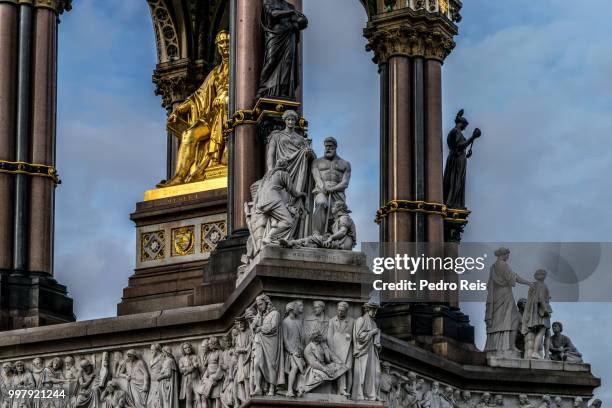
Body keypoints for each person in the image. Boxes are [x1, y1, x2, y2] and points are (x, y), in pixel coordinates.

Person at [158, 31, 230, 187]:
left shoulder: (241, 67)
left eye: (227, 42)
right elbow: (199, 95)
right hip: (214, 115)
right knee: (188, 134)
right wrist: (180, 109)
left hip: (231, 114)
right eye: (221, 43)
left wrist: (226, 96)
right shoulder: (215, 72)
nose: (224, 47)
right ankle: (179, 177)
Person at [484, 248, 533, 358]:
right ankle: (509, 346)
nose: (508, 257)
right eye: (507, 254)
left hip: (496, 295)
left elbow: (490, 284)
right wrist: (528, 283)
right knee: (513, 319)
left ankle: (498, 344)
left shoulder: (493, 267)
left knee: (499, 320)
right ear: (503, 254)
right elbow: (514, 277)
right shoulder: (503, 265)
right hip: (505, 294)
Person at [257, 0, 307, 99]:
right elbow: (273, 14)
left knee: (287, 62)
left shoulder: (289, 5)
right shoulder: (269, 1)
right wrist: (291, 12)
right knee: (271, 60)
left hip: (289, 34)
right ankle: (262, 88)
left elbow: (298, 21)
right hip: (275, 34)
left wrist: (301, 22)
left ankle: (283, 90)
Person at [255, 159, 307, 245]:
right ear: (285, 167)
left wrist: (254, 205)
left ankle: (275, 237)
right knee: (288, 222)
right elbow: (293, 192)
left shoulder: (269, 174)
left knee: (277, 220)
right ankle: (269, 237)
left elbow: (259, 190)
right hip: (272, 200)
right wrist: (302, 194)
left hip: (261, 202)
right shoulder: (283, 174)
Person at [311, 137, 351, 235]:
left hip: (338, 192)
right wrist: (324, 188)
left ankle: (333, 235)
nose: (328, 149)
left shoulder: (345, 164)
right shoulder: (317, 162)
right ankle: (316, 232)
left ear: (335, 147)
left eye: (330, 146)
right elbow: (317, 178)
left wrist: (332, 189)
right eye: (326, 146)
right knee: (321, 203)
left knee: (337, 213)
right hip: (322, 190)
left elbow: (345, 183)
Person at [443, 109, 481, 209]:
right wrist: (473, 137)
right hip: (457, 159)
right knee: (456, 180)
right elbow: (459, 145)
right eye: (465, 125)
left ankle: (455, 202)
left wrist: (466, 154)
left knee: (457, 180)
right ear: (461, 123)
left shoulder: (456, 132)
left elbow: (459, 147)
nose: (465, 127)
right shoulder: (455, 132)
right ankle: (452, 202)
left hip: (458, 158)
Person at [251, 295, 284, 396]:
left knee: (271, 364)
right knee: (257, 364)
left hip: (271, 342)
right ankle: (258, 387)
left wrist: (260, 328)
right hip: (260, 342)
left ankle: (272, 388)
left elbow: (273, 327)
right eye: (258, 305)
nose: (259, 307)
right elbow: (252, 327)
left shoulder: (275, 314)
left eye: (261, 304)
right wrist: (258, 318)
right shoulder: (260, 315)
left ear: (267, 303)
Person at [298, 331, 348, 396]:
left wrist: (339, 362)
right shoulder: (308, 349)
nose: (321, 338)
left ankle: (342, 390)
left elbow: (331, 355)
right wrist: (324, 369)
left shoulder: (323, 344)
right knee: (321, 375)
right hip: (315, 368)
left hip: (325, 365)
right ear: (315, 338)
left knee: (342, 368)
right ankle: (303, 389)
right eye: (319, 337)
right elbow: (313, 363)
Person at [352, 302, 381, 401]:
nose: (375, 312)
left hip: (372, 351)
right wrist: (373, 332)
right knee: (363, 372)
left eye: (376, 310)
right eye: (374, 309)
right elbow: (359, 337)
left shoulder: (374, 323)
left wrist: (377, 341)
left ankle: (371, 394)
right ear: (367, 309)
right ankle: (361, 395)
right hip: (363, 352)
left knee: (375, 372)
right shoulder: (361, 320)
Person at [521, 269, 552, 359]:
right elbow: (541, 299)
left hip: (534, 312)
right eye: (544, 274)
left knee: (541, 332)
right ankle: (535, 352)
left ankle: (538, 353)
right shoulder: (542, 285)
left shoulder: (533, 285)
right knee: (542, 331)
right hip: (541, 312)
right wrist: (545, 310)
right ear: (543, 276)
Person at [326, 301, 354, 397]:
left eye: (342, 311)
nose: (340, 313)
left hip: (348, 349)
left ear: (346, 311)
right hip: (335, 350)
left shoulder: (352, 321)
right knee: (339, 368)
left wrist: (349, 337)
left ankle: (349, 391)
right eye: (339, 310)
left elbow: (355, 336)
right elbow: (329, 337)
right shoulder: (332, 321)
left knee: (348, 369)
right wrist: (331, 351)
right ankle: (340, 390)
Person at [282, 301, 305, 397]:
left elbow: (302, 338)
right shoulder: (285, 322)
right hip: (290, 352)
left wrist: (301, 348)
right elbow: (285, 339)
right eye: (296, 308)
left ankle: (298, 389)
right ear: (291, 310)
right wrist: (292, 351)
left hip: (298, 351)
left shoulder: (298, 322)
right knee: (295, 367)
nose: (298, 310)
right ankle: (289, 390)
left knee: (301, 369)